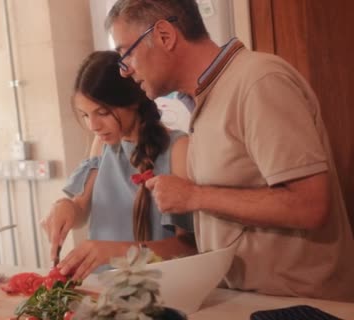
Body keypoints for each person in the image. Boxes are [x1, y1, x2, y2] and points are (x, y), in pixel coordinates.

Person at [106, 0, 354, 301]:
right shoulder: (204, 100)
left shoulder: (258, 81)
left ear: (164, 35)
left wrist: (194, 196)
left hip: (298, 303)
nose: (124, 71)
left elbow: (310, 205)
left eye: (125, 55)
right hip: (249, 300)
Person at [41, 51, 197, 280]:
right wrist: (65, 207)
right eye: (85, 115)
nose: (92, 125)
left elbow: (192, 247)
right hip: (105, 291)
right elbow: (81, 207)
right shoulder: (103, 143)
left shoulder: (178, 149)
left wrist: (122, 251)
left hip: (157, 292)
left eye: (102, 113)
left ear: (132, 102)